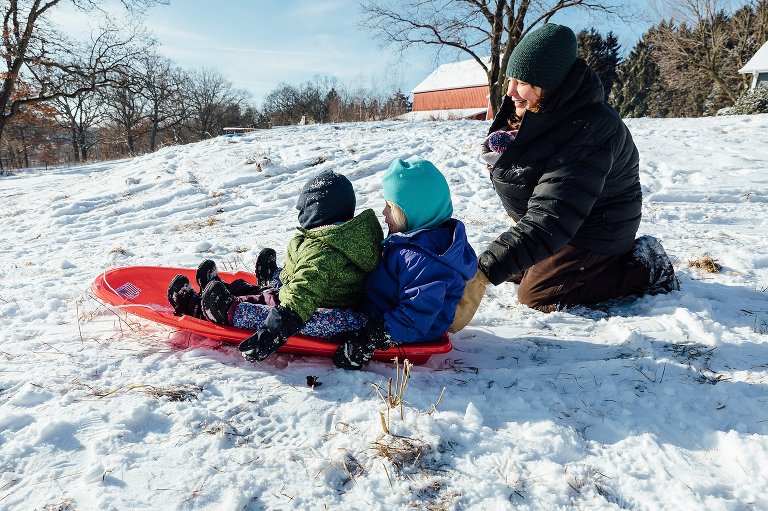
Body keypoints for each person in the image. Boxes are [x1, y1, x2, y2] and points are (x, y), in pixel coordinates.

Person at [451, 23, 679, 331]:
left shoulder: (591, 130)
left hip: (598, 229)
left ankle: (642, 268)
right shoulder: (535, 109)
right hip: (569, 220)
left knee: (537, 293)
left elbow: (552, 217)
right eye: (510, 78)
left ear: (552, 84)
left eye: (523, 82)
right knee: (517, 268)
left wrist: (483, 271)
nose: (510, 91)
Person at [171, 169, 384, 361]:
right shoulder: (345, 238)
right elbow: (309, 277)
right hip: (327, 297)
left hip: (317, 311)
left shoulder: (323, 251)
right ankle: (228, 288)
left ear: (316, 211)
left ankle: (212, 308)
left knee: (265, 308)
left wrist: (273, 333)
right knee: (268, 292)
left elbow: (303, 291)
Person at [331, 159, 478, 370]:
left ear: (413, 210)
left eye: (390, 206)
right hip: (380, 314)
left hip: (400, 330)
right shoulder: (415, 242)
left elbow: (415, 315)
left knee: (317, 322)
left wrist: (368, 340)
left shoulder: (425, 258)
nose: (383, 211)